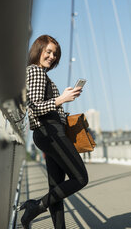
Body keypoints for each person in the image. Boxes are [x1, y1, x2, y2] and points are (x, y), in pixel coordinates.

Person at [18, 35, 88, 229]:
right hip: (50, 133)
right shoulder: (37, 72)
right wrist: (62, 99)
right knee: (81, 178)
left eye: (55, 54)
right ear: (38, 50)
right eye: (48, 51)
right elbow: (35, 107)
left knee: (56, 189)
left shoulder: (40, 74)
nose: (51, 56)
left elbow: (43, 106)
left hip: (48, 134)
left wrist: (64, 105)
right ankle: (35, 206)